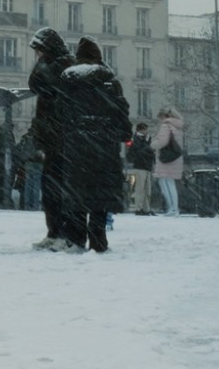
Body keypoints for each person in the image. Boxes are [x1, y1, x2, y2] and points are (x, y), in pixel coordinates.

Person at [53, 37, 131, 252]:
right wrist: (122, 133)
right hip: (104, 147)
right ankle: (99, 238)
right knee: (100, 196)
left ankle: (76, 239)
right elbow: (121, 112)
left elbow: (58, 112)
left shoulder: (68, 80)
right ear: (98, 58)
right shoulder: (110, 82)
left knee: (77, 195)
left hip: (76, 147)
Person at [27, 27, 75, 249]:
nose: (37, 56)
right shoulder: (51, 67)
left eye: (40, 50)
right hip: (53, 138)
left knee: (60, 189)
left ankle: (63, 233)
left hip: (63, 139)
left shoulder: (63, 68)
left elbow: (38, 82)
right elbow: (35, 84)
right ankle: (53, 231)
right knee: (50, 190)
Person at [151, 108, 185, 216]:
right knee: (169, 182)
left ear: (163, 117)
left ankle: (173, 208)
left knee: (166, 182)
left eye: (159, 118)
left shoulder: (166, 126)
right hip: (174, 157)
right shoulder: (177, 127)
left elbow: (162, 142)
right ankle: (173, 208)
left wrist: (152, 144)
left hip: (166, 159)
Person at [125, 122, 156, 214]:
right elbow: (139, 152)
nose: (147, 131)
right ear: (141, 130)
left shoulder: (145, 139)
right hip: (140, 166)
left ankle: (146, 208)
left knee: (147, 189)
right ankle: (138, 208)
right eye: (145, 129)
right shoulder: (136, 139)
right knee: (140, 189)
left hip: (146, 166)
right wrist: (148, 148)